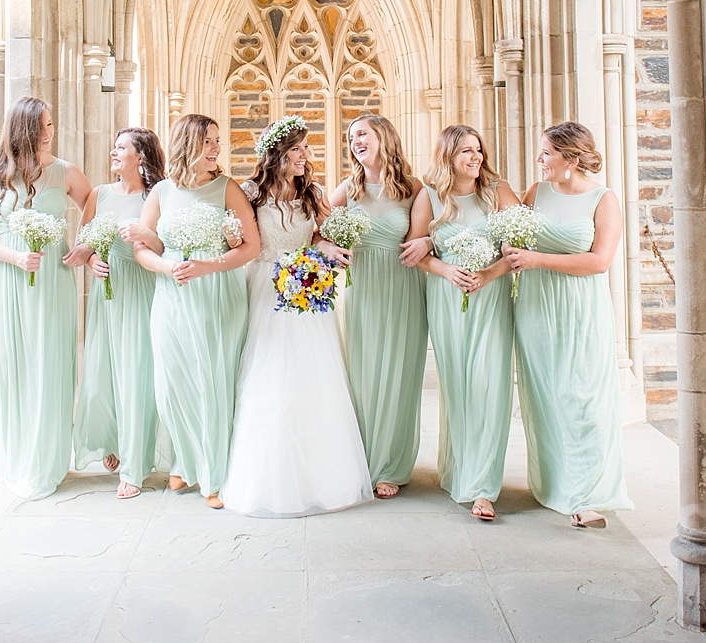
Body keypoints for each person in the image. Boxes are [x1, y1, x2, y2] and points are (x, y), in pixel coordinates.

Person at [220, 115, 373, 516]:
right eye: (297, 150)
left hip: (307, 286)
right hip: (266, 288)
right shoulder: (250, 191)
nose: (306, 156)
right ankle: (268, 476)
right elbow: (240, 237)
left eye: (306, 149)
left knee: (312, 375)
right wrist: (231, 237)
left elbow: (324, 234)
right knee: (270, 373)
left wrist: (325, 249)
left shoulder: (313, 192)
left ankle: (321, 475)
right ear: (277, 154)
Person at [504, 122, 631, 528]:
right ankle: (556, 485)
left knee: (584, 399)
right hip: (536, 307)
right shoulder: (535, 194)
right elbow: (512, 239)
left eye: (546, 153)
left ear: (570, 160)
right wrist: (510, 249)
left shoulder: (603, 198)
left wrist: (537, 259)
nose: (539, 160)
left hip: (581, 309)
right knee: (547, 396)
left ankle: (586, 495)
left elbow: (600, 261)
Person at [133, 114, 260, 508]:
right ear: (188, 144)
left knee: (214, 379)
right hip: (171, 295)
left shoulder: (227, 188)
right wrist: (168, 267)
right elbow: (142, 248)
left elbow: (250, 247)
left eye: (217, 141)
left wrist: (208, 265)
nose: (216, 149)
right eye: (209, 141)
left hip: (218, 292)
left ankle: (215, 472)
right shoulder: (161, 193)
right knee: (173, 381)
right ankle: (185, 460)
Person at [0, 97, 91, 499]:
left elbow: (94, 206)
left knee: (52, 365)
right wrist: (16, 256)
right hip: (7, 281)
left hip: (53, 280)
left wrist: (84, 247)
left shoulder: (65, 172)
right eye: (42, 127)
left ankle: (50, 461)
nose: (49, 133)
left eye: (51, 125)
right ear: (21, 130)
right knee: (15, 365)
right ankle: (19, 460)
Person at [407, 124, 520, 521]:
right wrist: (445, 269)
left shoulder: (498, 193)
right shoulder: (430, 197)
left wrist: (490, 273)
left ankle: (483, 488)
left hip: (490, 298)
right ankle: (458, 469)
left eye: (478, 150)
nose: (476, 158)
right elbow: (416, 253)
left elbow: (519, 248)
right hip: (446, 298)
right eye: (466, 152)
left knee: (489, 387)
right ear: (448, 158)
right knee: (457, 387)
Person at [330, 114, 429, 499]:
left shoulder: (414, 189)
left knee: (398, 372)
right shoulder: (348, 189)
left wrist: (429, 244)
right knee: (363, 373)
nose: (355, 141)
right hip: (361, 289)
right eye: (351, 136)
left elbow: (421, 241)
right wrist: (330, 247)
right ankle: (361, 458)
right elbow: (317, 228)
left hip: (401, 285)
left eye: (362, 134)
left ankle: (390, 464)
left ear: (384, 137)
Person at [66, 127, 167, 498]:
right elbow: (83, 241)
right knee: (103, 374)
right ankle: (112, 438)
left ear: (141, 156)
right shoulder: (100, 194)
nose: (113, 152)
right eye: (115, 146)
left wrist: (142, 235)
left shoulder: (155, 195)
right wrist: (92, 259)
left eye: (121, 147)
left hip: (141, 288)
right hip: (107, 296)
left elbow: (163, 244)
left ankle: (136, 465)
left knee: (137, 374)